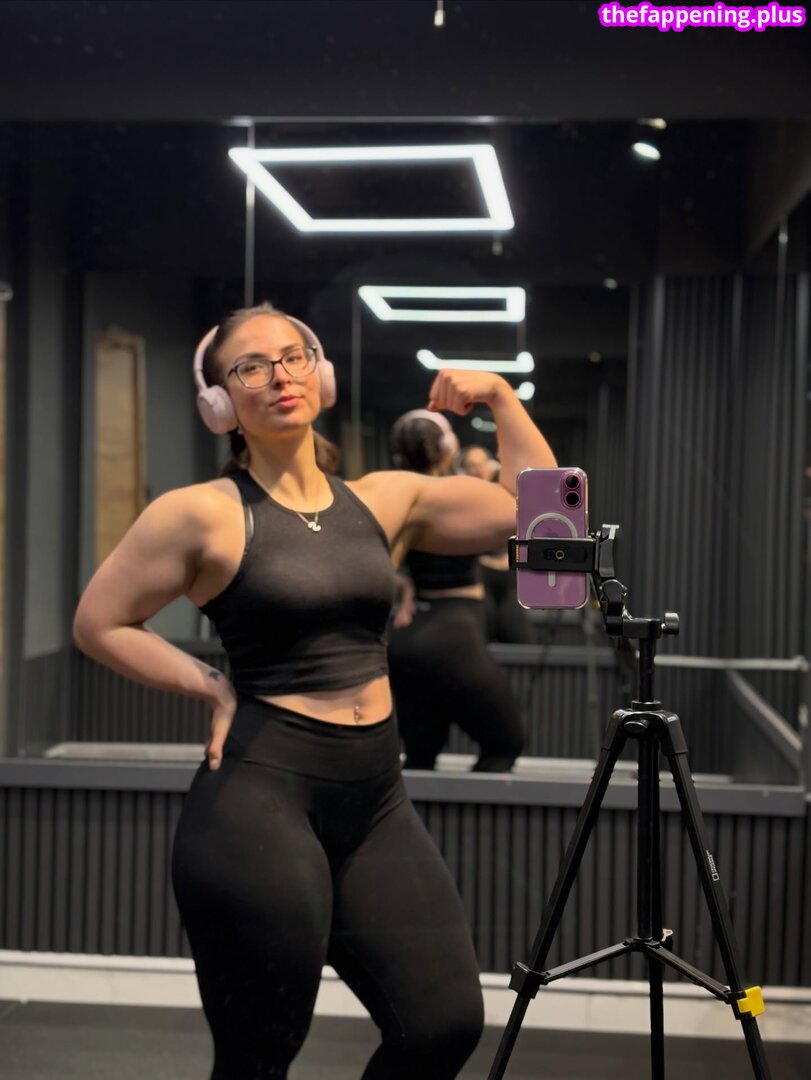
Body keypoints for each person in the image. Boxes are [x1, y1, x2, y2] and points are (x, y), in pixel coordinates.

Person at [72, 302, 557, 1080]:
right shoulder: (200, 513)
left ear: (319, 374)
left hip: (376, 799)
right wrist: (210, 686)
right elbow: (99, 622)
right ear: (220, 403)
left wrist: (500, 398)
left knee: (443, 1025)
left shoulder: (383, 500)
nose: (279, 376)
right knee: (260, 1055)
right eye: (251, 367)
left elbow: (541, 517)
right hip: (259, 801)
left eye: (293, 356)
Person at [388, 412, 527, 771]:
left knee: (420, 755)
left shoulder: (393, 496)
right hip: (454, 632)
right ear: (447, 448)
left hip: (407, 637)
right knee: (506, 741)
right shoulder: (459, 493)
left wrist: (404, 585)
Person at [458, 443, 536, 645]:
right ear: (464, 470)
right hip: (479, 576)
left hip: (508, 577)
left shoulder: (505, 493)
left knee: (523, 641)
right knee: (479, 640)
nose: (478, 469)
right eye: (472, 465)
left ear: (490, 466)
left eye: (482, 463)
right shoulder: (460, 500)